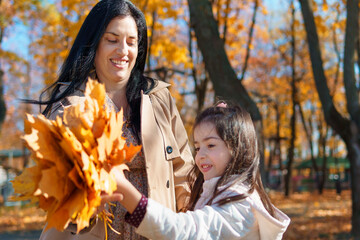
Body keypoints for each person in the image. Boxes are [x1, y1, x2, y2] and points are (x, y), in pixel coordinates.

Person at [36, 0, 194, 239]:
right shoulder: (70, 108)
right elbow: (64, 199)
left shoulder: (160, 99)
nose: (123, 50)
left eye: (131, 42)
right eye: (112, 40)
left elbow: (184, 172)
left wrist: (186, 225)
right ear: (94, 44)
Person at [106, 103, 291, 239]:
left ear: (238, 148)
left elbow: (183, 231)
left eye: (210, 145)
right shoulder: (213, 191)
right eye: (197, 147)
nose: (200, 155)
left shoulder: (239, 205)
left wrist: (123, 188)